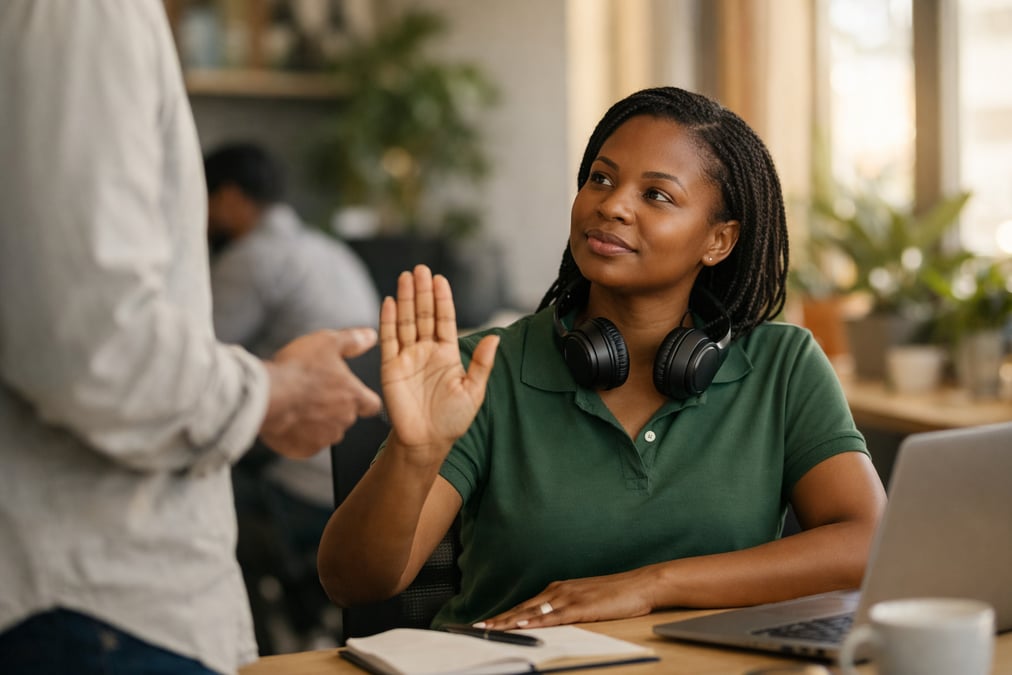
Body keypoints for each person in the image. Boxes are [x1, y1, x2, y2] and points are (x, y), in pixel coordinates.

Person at [316, 86, 887, 630]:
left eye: (656, 195)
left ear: (719, 240)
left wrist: (649, 586)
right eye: (600, 179)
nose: (611, 205)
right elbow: (353, 583)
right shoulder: (485, 369)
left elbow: (869, 541)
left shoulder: (783, 365)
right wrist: (416, 455)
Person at [0, 3, 381, 674]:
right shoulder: (85, 12)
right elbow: (104, 345)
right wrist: (273, 391)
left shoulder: (251, 258)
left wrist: (265, 392)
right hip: (93, 601)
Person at [204, 141, 382, 652]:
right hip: (361, 471)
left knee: (194, 488)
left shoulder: (250, 258)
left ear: (232, 199)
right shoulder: (330, 250)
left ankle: (253, 651)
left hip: (304, 477)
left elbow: (199, 359)